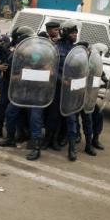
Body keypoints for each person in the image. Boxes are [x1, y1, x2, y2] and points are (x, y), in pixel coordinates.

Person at [0, 27, 45, 160]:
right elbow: (11, 72)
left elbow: (47, 71)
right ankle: (10, 139)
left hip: (36, 91)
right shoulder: (17, 54)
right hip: (21, 90)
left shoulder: (39, 54)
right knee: (10, 113)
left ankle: (36, 147)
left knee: (35, 119)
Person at [45, 21, 83, 161]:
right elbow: (50, 68)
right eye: (73, 33)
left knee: (71, 118)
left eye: (76, 33)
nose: (75, 35)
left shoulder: (77, 50)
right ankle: (49, 140)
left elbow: (81, 69)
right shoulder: (56, 48)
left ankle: (72, 148)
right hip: (58, 88)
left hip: (71, 90)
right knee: (53, 116)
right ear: (66, 33)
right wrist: (62, 80)